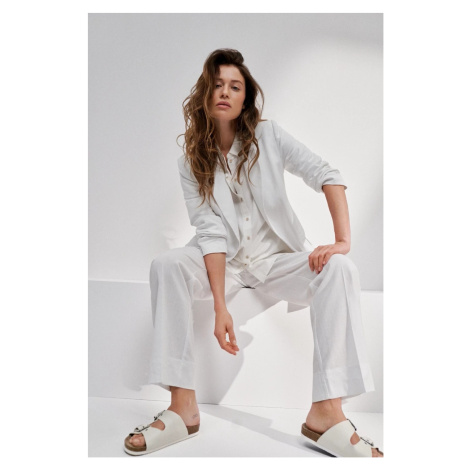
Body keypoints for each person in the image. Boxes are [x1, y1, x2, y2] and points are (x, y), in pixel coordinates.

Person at [123, 48, 383, 458]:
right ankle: (182, 407)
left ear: (246, 98)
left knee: (341, 269)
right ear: (205, 94)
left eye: (235, 86)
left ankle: (327, 412)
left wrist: (342, 241)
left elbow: (326, 174)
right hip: (225, 265)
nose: (225, 92)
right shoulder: (191, 161)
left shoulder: (270, 136)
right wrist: (221, 306)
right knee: (167, 264)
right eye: (217, 85)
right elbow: (210, 231)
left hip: (277, 261)